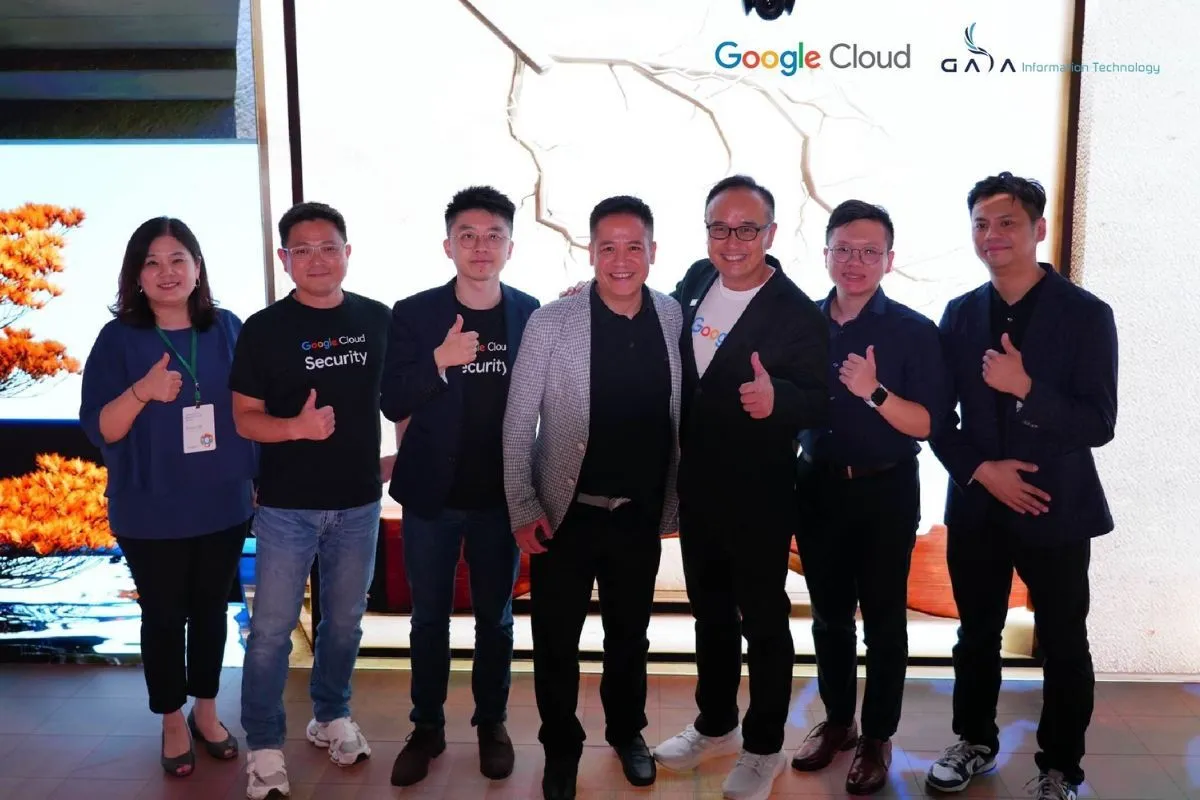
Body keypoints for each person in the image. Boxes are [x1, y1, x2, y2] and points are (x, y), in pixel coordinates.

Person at [926, 172, 1118, 800]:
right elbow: (937, 419)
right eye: (981, 223)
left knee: (1064, 642)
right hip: (979, 503)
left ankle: (1059, 769)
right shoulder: (959, 314)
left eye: (1007, 222)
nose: (992, 234)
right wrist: (983, 472)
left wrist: (1026, 388)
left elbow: (1099, 422)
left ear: (1038, 229)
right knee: (975, 634)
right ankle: (974, 742)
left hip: (1054, 505)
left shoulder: (1086, 315)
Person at [652, 175, 829, 800]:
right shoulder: (697, 280)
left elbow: (820, 400)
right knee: (710, 615)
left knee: (764, 621)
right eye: (719, 227)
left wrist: (780, 401)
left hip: (759, 493)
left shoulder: (797, 312)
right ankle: (716, 724)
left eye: (746, 228)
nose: (732, 241)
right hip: (697, 485)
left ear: (770, 233)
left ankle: (763, 746)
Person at [504, 196, 683, 800]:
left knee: (629, 637)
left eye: (634, 246)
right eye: (608, 246)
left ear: (653, 252)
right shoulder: (552, 322)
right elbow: (517, 422)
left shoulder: (672, 315)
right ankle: (561, 746)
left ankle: (628, 732)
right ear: (590, 252)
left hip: (639, 514)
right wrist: (523, 507)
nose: (621, 259)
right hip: (564, 515)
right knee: (555, 640)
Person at [79, 217, 257, 778]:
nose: (166, 272)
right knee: (162, 617)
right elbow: (103, 428)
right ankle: (172, 719)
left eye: (178, 259)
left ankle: (206, 711)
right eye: (151, 262)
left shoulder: (228, 328)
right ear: (135, 275)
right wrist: (143, 391)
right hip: (149, 509)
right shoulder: (117, 339)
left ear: (198, 268)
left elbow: (254, 410)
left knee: (210, 612)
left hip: (224, 504)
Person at [230, 201, 392, 800]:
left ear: (348, 253)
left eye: (329, 248)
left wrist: (400, 456)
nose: (317, 260)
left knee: (344, 623)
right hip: (286, 508)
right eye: (303, 250)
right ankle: (264, 744)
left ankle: (330, 716)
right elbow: (244, 417)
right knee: (271, 632)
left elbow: (402, 394)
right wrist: (295, 428)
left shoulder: (378, 319)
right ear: (285, 259)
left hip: (358, 503)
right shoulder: (264, 328)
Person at [380, 186, 540, 787]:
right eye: (467, 235)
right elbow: (391, 399)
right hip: (432, 495)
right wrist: (438, 361)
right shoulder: (414, 313)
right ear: (448, 246)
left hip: (501, 495)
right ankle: (426, 727)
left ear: (510, 247)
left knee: (496, 619)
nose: (480, 246)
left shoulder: (530, 312)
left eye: (493, 235)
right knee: (429, 619)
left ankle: (491, 723)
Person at [789, 200, 949, 794]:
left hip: (886, 487)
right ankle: (839, 722)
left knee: (883, 620)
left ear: (889, 259)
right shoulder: (800, 322)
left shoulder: (913, 330)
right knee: (829, 617)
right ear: (826, 253)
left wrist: (874, 392)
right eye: (844, 250)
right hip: (816, 485)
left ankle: (878, 735)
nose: (854, 262)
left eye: (869, 252)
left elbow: (928, 423)